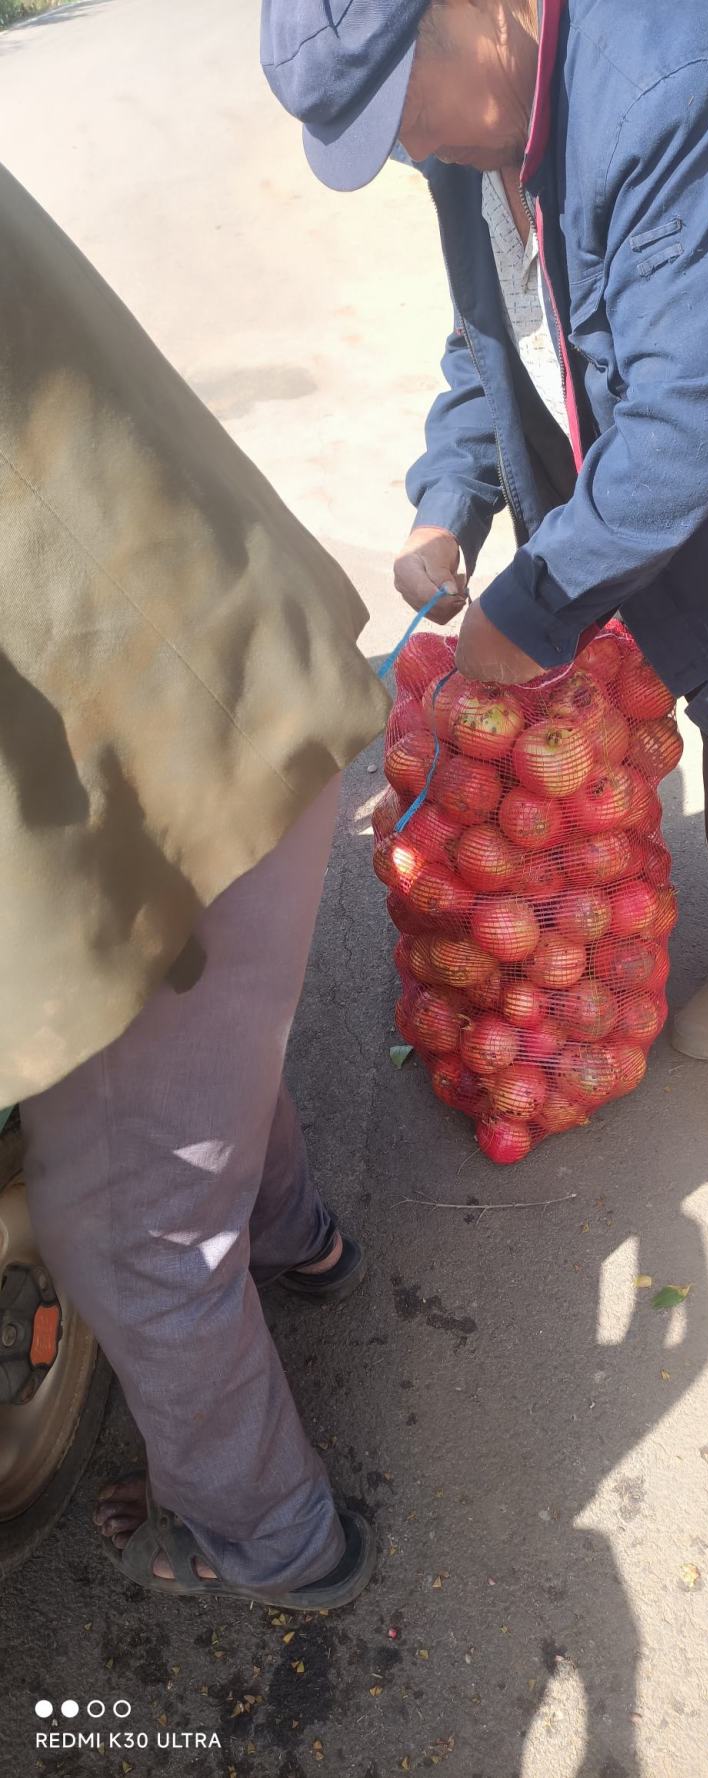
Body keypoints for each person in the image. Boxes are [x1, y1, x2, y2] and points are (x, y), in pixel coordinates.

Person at [262, 0, 708, 1062]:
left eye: (400, 115)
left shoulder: (675, 84)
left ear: (473, 12)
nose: (411, 152)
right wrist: (447, 500)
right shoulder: (476, 134)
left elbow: (690, 417)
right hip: (644, 474)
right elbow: (488, 338)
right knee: (628, 702)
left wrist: (534, 601)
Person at [1, 163, 390, 1606]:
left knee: (125, 1227)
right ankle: (306, 1239)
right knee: (222, 1041)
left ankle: (280, 1542)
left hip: (146, 771)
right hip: (256, 674)